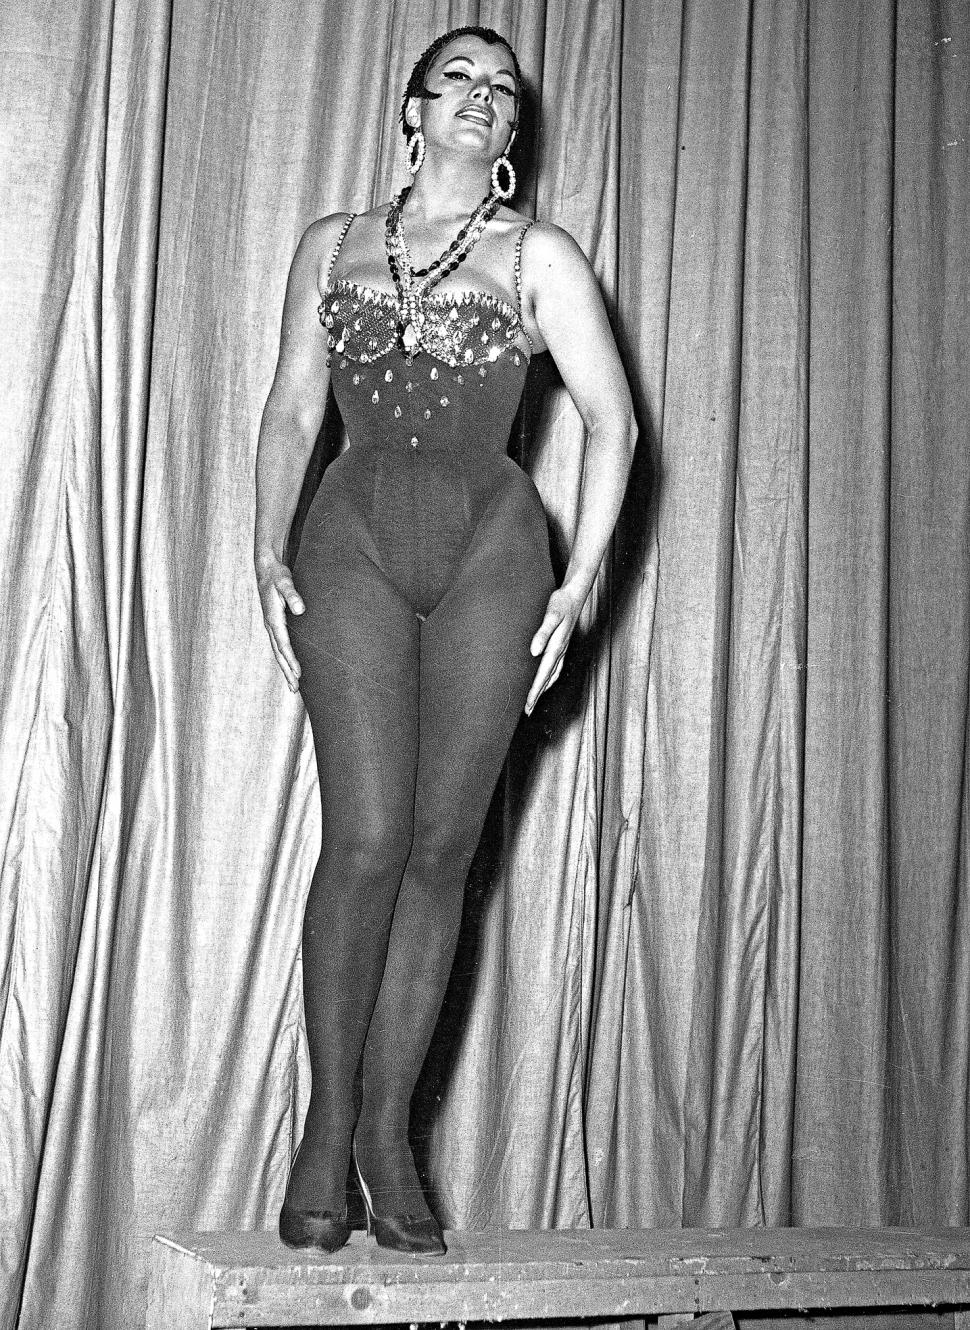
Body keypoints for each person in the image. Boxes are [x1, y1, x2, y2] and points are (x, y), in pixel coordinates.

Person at [254, 25, 636, 1257]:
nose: (482, 96)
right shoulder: (332, 244)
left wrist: (579, 582)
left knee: (439, 848)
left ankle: (386, 1138)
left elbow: (615, 423)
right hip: (351, 542)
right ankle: (325, 1127)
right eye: (458, 78)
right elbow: (292, 407)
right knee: (366, 836)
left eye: (503, 90)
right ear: (411, 109)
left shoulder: (538, 256)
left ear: (511, 134)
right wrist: (263, 548)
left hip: (493, 558)